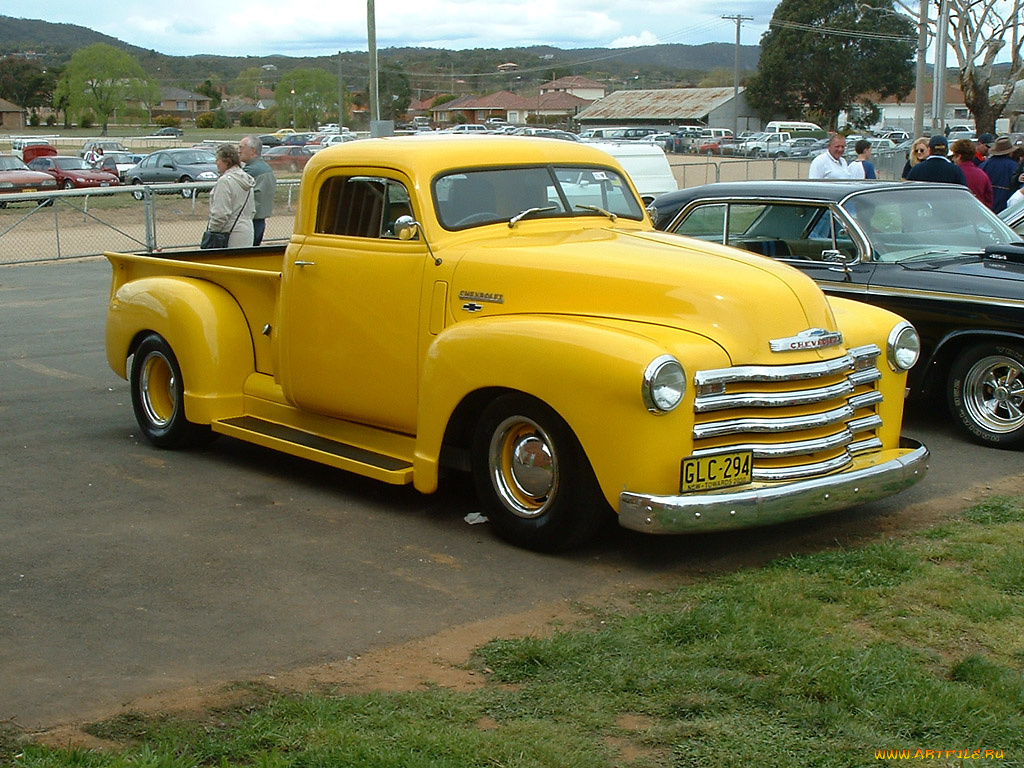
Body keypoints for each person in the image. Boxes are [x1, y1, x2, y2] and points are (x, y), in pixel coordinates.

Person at [208, 143, 255, 248]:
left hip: (230, 235)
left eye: (218, 160)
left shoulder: (224, 182)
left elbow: (220, 213)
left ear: (226, 161)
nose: (216, 163)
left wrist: (212, 231)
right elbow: (252, 210)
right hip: (247, 230)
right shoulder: (247, 179)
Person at [238, 134, 275, 246]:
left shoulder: (251, 170)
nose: (238, 151)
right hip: (260, 219)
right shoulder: (265, 167)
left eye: (241, 147)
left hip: (251, 220)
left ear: (252, 150)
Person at [980, 135, 1021, 212]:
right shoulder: (1013, 166)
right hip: (1005, 207)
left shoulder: (984, 164)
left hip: (986, 207)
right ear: (1010, 152)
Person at [951, 139, 993, 209]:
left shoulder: (953, 173)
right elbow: (988, 199)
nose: (953, 159)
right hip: (977, 213)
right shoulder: (982, 174)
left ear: (959, 156)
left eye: (954, 156)